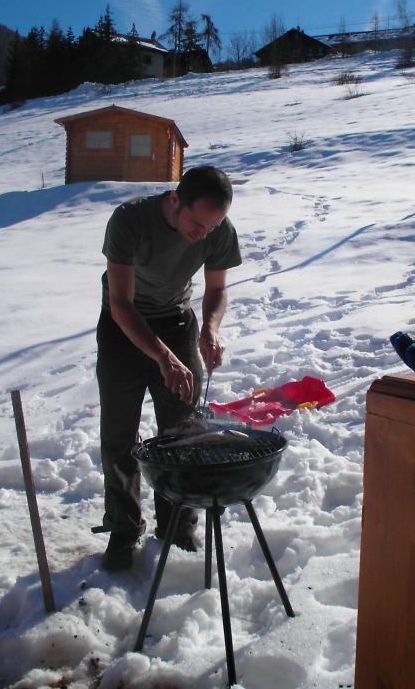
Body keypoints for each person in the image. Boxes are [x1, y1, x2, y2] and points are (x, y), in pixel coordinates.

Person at [96, 165, 242, 571]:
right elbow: (122, 304)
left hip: (176, 321)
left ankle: (178, 524)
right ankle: (124, 529)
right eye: (196, 224)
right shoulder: (129, 221)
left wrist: (210, 331)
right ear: (175, 200)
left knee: (182, 433)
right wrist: (162, 357)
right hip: (122, 328)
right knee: (119, 435)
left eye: (211, 227)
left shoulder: (217, 229)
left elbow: (216, 290)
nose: (203, 234)